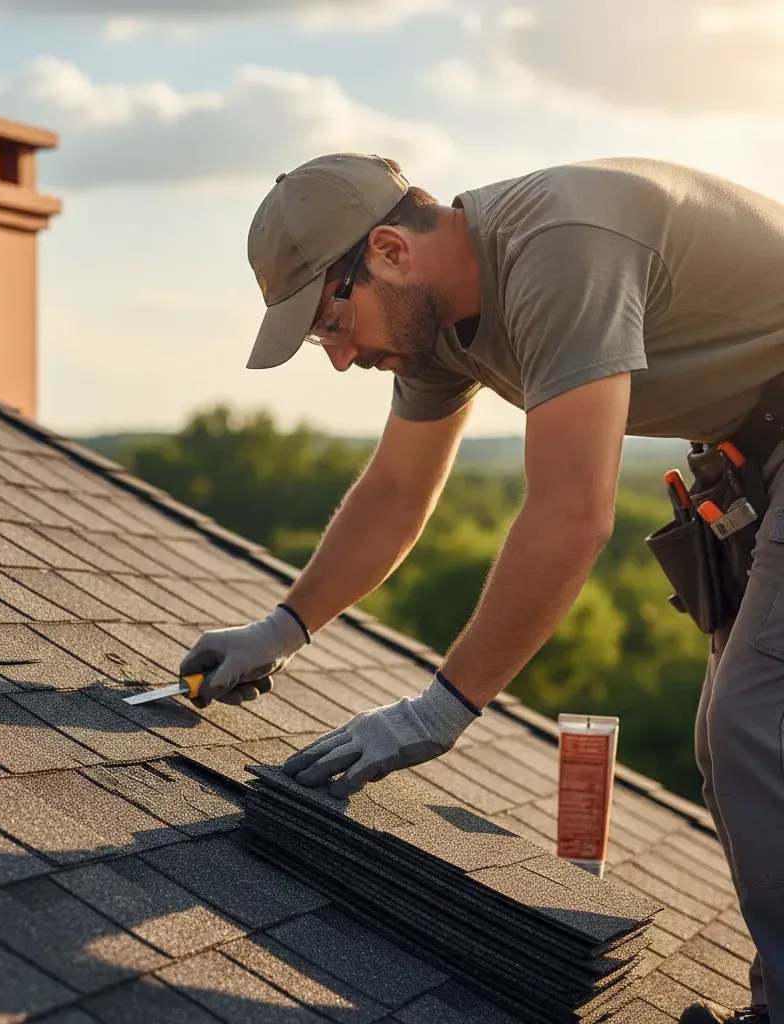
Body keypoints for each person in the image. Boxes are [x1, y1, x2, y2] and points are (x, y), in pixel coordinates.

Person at [178, 153, 784, 1024]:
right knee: (736, 746)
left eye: (329, 320)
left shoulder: (561, 248)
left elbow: (574, 513)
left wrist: (439, 713)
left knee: (756, 723)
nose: (340, 358)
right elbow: (394, 494)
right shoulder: (433, 324)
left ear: (388, 250)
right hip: (754, 454)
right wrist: (279, 629)